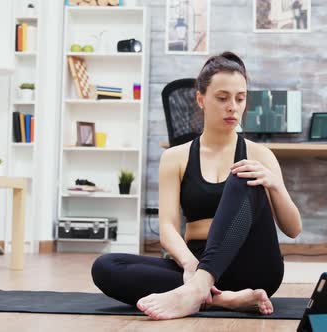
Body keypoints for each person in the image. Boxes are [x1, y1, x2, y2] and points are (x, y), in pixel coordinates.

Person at [91, 51, 302, 320]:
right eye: (222, 98)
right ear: (201, 99)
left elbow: (293, 229)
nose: (233, 107)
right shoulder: (174, 157)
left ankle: (196, 292)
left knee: (243, 174)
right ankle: (223, 300)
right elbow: (167, 226)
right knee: (106, 266)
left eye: (240, 98)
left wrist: (274, 185)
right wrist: (190, 265)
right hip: (197, 263)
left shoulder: (260, 155)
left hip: (253, 267)